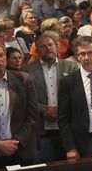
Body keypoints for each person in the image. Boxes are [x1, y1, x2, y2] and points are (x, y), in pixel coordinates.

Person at [25, 31, 76, 163]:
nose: (48, 48)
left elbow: (77, 94)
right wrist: (44, 110)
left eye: (51, 45)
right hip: (40, 129)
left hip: (67, 126)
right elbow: (25, 98)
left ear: (57, 46)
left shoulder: (71, 67)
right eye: (43, 46)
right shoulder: (27, 70)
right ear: (37, 50)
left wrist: (61, 109)